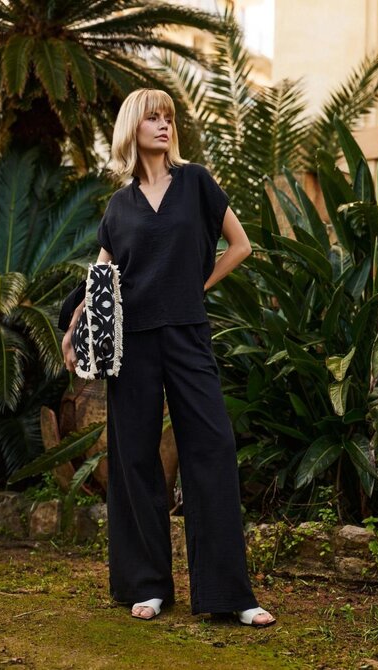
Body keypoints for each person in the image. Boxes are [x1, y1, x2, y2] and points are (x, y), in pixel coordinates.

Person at [62, 88, 276, 628]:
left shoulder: (196, 182)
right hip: (132, 343)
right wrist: (72, 328)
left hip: (186, 337)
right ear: (132, 127)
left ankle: (229, 594)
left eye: (168, 117)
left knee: (212, 448)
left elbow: (241, 246)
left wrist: (195, 288)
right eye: (152, 117)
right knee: (134, 458)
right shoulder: (119, 206)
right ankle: (148, 585)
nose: (164, 125)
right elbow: (101, 277)